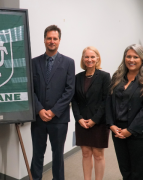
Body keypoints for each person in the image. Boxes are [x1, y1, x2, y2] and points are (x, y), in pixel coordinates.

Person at [106, 44, 143, 180]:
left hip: (141, 135)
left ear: (142, 59)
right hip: (118, 132)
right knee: (125, 171)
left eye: (135, 57)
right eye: (128, 56)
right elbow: (109, 102)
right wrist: (111, 125)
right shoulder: (117, 76)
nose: (131, 60)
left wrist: (130, 130)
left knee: (138, 174)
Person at [31, 25, 75, 180]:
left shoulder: (69, 63)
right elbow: (31, 90)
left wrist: (54, 111)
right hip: (38, 118)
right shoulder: (34, 63)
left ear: (59, 41)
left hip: (59, 119)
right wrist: (40, 110)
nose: (51, 41)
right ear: (44, 40)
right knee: (37, 154)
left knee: (57, 155)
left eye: (55, 38)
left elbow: (69, 90)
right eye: (49, 38)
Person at [71, 46, 110, 180]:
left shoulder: (105, 77)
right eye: (86, 57)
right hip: (82, 122)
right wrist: (79, 118)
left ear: (97, 58)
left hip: (99, 122)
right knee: (86, 153)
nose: (89, 59)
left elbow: (106, 101)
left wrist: (94, 120)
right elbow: (74, 100)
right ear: (83, 59)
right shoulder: (77, 77)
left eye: (92, 57)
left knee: (98, 154)